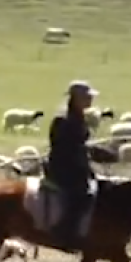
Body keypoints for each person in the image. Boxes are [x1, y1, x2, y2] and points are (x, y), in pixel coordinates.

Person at [46, 80, 98, 252]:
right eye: (87, 97)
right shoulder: (63, 119)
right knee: (81, 196)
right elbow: (64, 148)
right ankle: (64, 233)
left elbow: (80, 144)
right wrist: (83, 154)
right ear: (76, 98)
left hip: (77, 166)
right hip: (63, 168)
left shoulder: (78, 116)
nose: (91, 100)